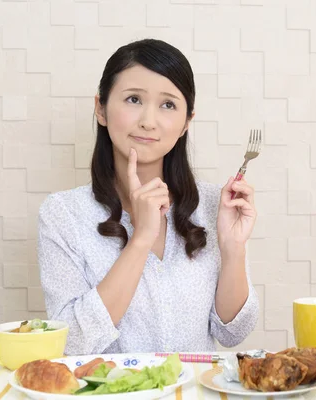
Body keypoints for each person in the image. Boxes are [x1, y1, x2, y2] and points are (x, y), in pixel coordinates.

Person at [37, 39, 259, 355]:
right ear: (101, 108)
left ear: (186, 123)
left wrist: (233, 248)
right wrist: (140, 239)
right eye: (133, 99)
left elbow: (234, 333)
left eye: (168, 104)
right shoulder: (63, 214)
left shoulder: (213, 206)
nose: (148, 121)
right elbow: (72, 343)